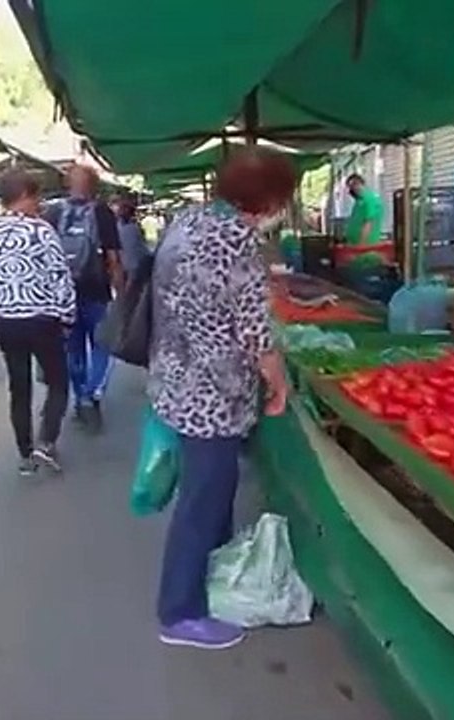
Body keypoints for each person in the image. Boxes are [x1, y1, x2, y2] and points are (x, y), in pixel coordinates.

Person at [149, 148, 294, 650]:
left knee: (207, 494)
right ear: (270, 199)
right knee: (203, 501)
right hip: (212, 390)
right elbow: (255, 328)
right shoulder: (236, 237)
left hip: (177, 375)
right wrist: (276, 379)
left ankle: (210, 586)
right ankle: (179, 612)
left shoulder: (188, 221)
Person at [0, 171, 75, 476]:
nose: (39, 202)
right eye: (36, 196)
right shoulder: (43, 232)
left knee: (20, 386)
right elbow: (60, 277)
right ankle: (47, 439)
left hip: (7, 322)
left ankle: (25, 455)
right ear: (26, 194)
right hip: (42, 318)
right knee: (58, 381)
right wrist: (67, 316)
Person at [43, 165, 123, 427]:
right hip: (97, 290)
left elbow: (44, 259)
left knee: (73, 349)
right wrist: (120, 292)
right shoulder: (102, 212)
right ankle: (90, 393)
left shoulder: (53, 213)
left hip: (63, 295)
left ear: (69, 184)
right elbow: (112, 257)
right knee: (102, 344)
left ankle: (80, 397)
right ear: (94, 185)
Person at [115, 194, 150, 285]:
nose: (119, 211)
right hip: (124, 264)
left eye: (123, 208)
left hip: (132, 265)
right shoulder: (118, 226)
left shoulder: (133, 228)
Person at [343, 173, 384, 248]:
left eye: (355, 184)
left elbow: (368, 223)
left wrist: (362, 244)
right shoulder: (359, 200)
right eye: (351, 186)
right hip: (354, 243)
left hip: (366, 244)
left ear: (361, 183)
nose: (353, 189)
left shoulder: (369, 199)